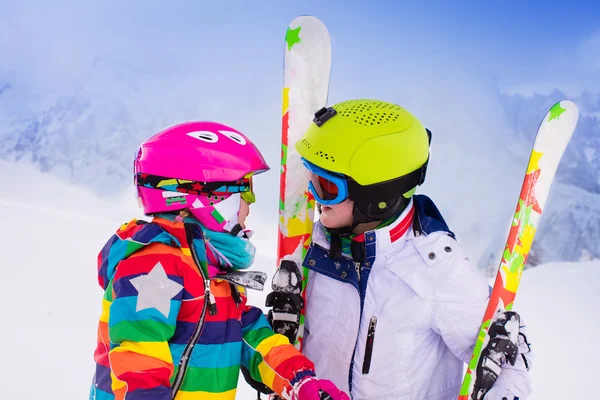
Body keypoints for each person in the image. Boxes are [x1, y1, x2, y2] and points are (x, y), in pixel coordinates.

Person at [274, 99, 534, 399]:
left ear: (375, 197)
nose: (311, 194)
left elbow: (511, 354)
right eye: (311, 177)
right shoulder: (315, 245)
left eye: (326, 186)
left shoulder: (437, 269)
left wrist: (502, 388)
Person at [89, 121, 349, 400]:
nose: (249, 204)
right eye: (244, 190)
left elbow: (250, 338)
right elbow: (138, 351)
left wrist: (298, 379)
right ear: (205, 198)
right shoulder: (157, 265)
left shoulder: (213, 273)